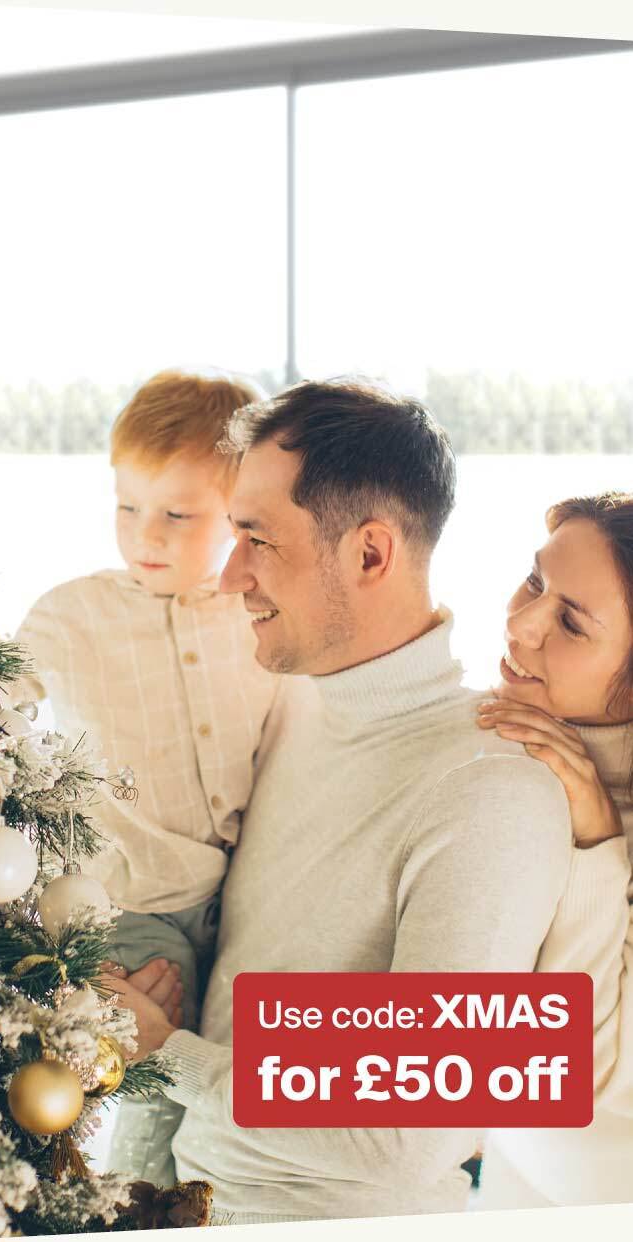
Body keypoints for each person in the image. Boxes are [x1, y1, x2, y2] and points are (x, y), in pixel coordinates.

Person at [107, 377, 576, 1224]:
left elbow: (416, 1128)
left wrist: (164, 1053)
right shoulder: (291, 704)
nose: (228, 575)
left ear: (368, 554)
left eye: (257, 537)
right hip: (188, 1200)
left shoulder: (489, 788)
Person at [4, 369, 279, 1183]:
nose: (144, 535)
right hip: (126, 899)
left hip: (235, 899)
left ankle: (177, 1201)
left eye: (177, 514)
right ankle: (131, 1207)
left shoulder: (259, 613)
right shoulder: (73, 614)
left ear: (239, 515)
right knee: (151, 1079)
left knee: (204, 1082)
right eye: (128, 507)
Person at [474, 491, 633, 1209]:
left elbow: (574, 1067)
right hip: (513, 1177)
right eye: (535, 582)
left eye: (570, 622)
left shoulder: (588, 807)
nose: (521, 623)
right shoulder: (512, 732)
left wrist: (598, 841)